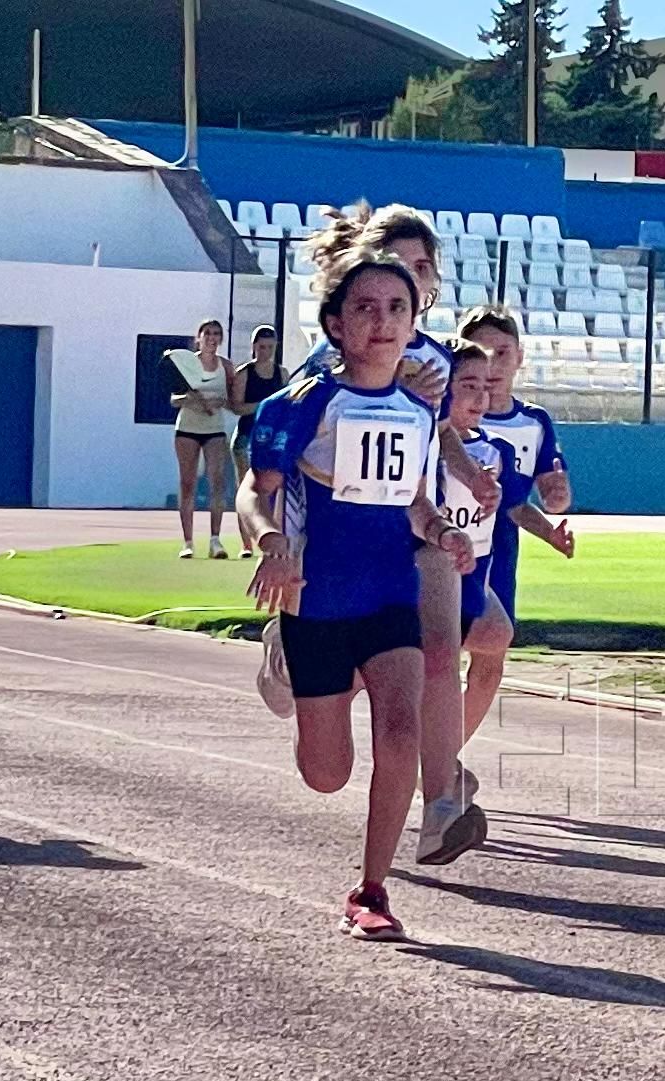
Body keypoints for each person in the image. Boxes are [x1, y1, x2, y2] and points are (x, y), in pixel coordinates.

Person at [236, 252, 473, 941]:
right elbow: (258, 490)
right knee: (325, 773)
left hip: (389, 592)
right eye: (366, 309)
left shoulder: (419, 413)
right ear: (336, 325)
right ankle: (281, 652)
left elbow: (415, 503)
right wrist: (270, 544)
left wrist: (443, 532)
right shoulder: (301, 404)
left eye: (398, 309)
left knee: (402, 724)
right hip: (314, 598)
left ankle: (372, 889)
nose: (383, 322)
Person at [298, 202, 492, 513]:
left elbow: (442, 431)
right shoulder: (335, 351)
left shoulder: (438, 359)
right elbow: (307, 431)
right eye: (400, 264)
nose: (412, 277)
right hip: (336, 513)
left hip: (413, 516)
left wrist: (473, 478)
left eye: (422, 267)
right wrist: (398, 397)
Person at [456, 305, 580, 762]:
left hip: (497, 556)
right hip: (443, 547)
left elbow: (541, 493)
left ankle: (444, 756)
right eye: (481, 351)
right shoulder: (450, 418)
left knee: (491, 658)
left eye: (502, 352)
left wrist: (556, 504)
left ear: (519, 357)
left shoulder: (534, 422)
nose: (491, 363)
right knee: (433, 654)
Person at [415, 334, 505, 867]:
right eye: (465, 385)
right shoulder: (401, 403)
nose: (478, 396)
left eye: (483, 386)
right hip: (393, 547)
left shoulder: (473, 442)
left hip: (449, 561)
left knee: (480, 639)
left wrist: (478, 482)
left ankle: (441, 785)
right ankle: (296, 651)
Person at [164, 319, 232, 557]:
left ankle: (215, 540)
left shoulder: (226, 366)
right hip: (187, 429)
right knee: (187, 483)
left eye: (216, 334)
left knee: (217, 482)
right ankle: (188, 543)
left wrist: (217, 402)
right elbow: (175, 398)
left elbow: (232, 398)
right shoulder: (186, 364)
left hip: (215, 429)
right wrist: (192, 400)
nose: (211, 338)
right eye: (207, 333)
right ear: (199, 337)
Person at [227, 324, 285, 488]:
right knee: (247, 487)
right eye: (261, 347)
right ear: (254, 346)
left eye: (269, 347)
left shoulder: (281, 373)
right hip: (247, 434)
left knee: (270, 487)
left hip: (272, 436)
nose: (265, 351)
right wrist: (264, 405)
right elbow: (236, 407)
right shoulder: (244, 373)